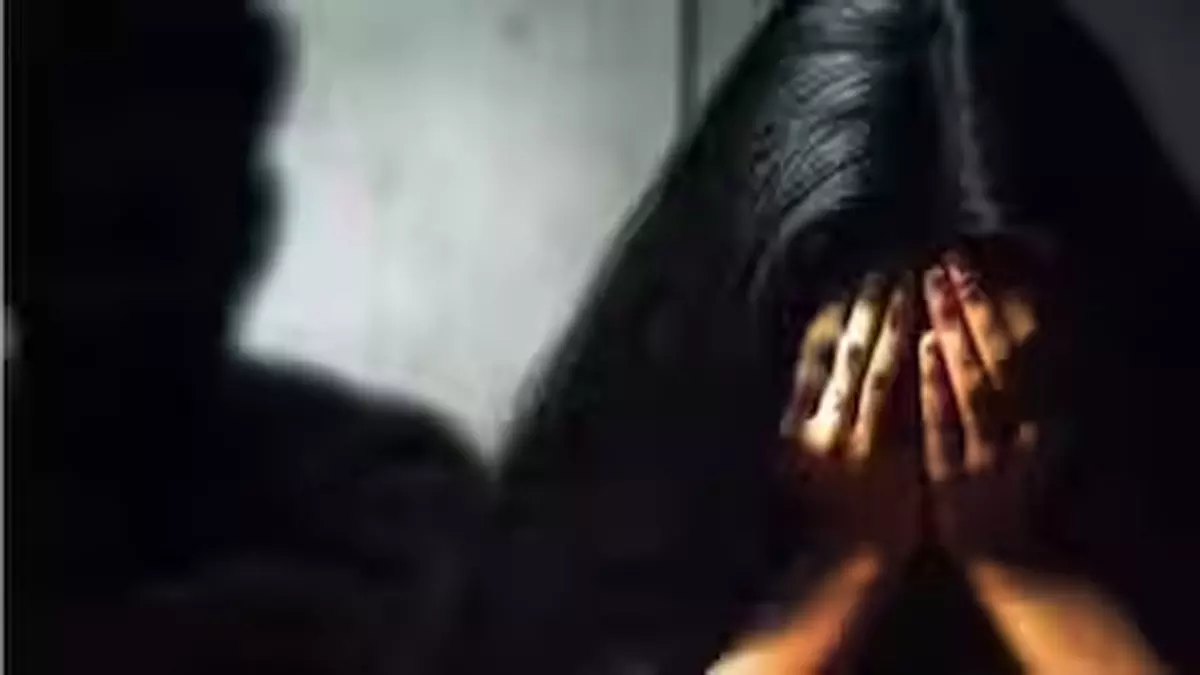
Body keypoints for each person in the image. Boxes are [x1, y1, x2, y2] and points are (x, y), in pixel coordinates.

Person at [11, 2, 489, 673]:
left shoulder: (385, 488)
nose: (117, 290)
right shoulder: (379, 492)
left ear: (250, 227)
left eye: (157, 226)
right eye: (69, 226)